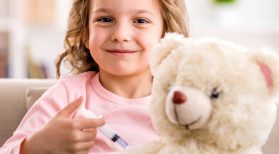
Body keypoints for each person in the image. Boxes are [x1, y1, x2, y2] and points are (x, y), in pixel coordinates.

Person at [0, 0, 189, 153]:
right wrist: (35, 146)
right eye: (105, 19)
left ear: (166, 35)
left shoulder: (183, 102)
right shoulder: (68, 95)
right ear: (85, 33)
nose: (120, 35)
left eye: (140, 21)